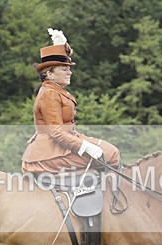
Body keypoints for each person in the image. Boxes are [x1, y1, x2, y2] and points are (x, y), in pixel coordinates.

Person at [21, 29, 121, 175]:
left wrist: (85, 141)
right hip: (47, 154)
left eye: (69, 69)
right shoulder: (49, 94)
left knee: (111, 152)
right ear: (49, 74)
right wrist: (85, 146)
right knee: (110, 155)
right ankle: (85, 194)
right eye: (64, 69)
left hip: (59, 147)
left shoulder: (56, 90)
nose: (70, 72)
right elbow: (56, 133)